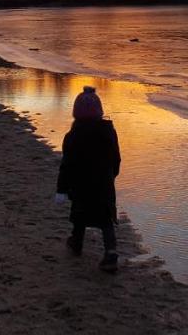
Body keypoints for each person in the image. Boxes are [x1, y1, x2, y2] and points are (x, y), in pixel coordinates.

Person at [55, 85, 122, 273]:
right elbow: (116, 158)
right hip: (103, 184)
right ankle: (110, 251)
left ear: (76, 113)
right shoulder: (109, 132)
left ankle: (77, 243)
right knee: (106, 219)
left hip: (80, 184)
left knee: (80, 214)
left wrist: (61, 189)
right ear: (99, 112)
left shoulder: (72, 136)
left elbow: (66, 165)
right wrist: (112, 175)